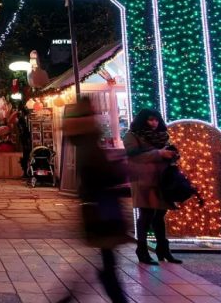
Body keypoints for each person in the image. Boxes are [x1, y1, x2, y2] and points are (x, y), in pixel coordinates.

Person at [60, 98, 129, 303]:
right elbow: (99, 174)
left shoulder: (84, 142)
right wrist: (120, 169)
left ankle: (73, 296)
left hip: (95, 206)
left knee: (105, 259)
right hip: (102, 208)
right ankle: (115, 297)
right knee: (106, 260)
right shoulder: (89, 144)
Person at [123, 109, 181, 265]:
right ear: (143, 120)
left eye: (156, 120)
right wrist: (159, 154)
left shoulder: (162, 135)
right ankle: (142, 249)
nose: (154, 123)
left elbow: (167, 151)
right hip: (144, 180)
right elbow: (134, 156)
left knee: (160, 214)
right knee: (146, 214)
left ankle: (163, 248)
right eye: (150, 120)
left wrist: (172, 154)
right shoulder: (132, 135)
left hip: (163, 180)